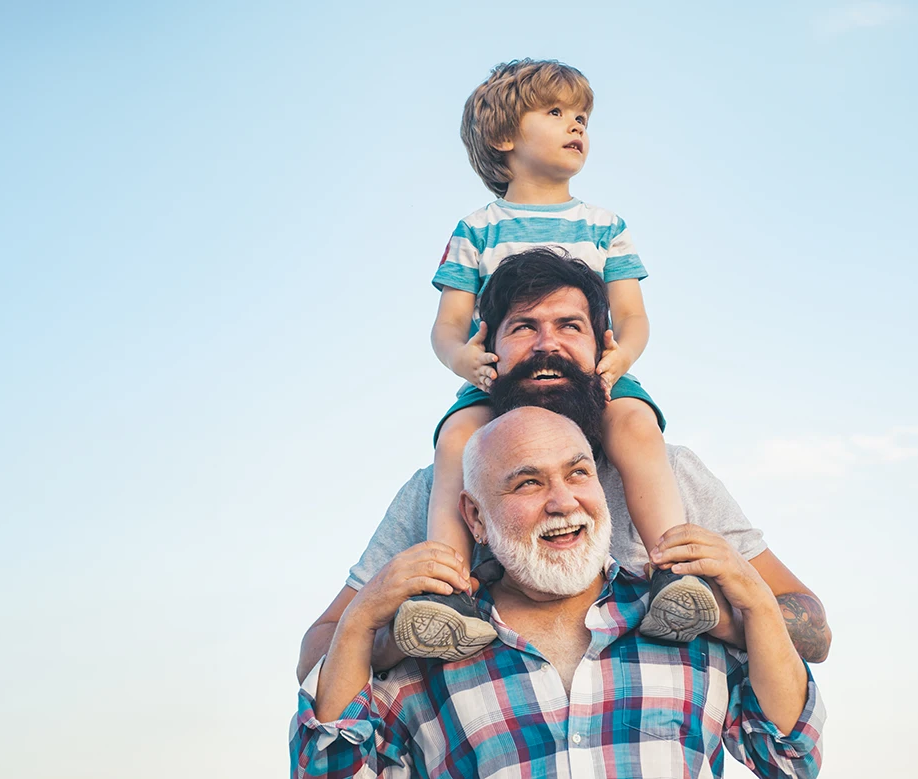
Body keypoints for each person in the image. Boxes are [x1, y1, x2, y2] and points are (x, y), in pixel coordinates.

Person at [297, 248, 832, 681]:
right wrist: (391, 632)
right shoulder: (438, 489)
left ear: (603, 346)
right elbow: (314, 658)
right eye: (523, 327)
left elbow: (815, 632)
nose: (547, 344)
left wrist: (730, 613)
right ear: (490, 351)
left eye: (569, 326)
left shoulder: (672, 475)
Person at [291, 407, 825, 778]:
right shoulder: (425, 656)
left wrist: (754, 599)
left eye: (579, 474)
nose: (563, 501)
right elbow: (326, 771)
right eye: (528, 483)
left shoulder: (687, 623)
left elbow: (790, 759)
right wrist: (360, 619)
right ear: (474, 517)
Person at [410, 57, 720, 659]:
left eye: (581, 116)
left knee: (636, 425)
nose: (576, 125)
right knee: (456, 440)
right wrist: (462, 363)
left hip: (593, 374)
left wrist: (621, 357)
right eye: (555, 113)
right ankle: (447, 595)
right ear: (504, 137)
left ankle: (673, 575)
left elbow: (632, 316)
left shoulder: (606, 225)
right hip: (501, 379)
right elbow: (448, 326)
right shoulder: (477, 228)